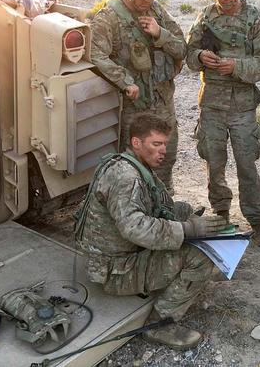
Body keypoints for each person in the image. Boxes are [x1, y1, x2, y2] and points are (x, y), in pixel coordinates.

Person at [74, 113, 228, 350]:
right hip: (116, 271)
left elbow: (159, 208)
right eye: (156, 144)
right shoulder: (126, 177)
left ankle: (198, 269)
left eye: (165, 144)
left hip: (122, 256)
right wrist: (187, 230)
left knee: (184, 210)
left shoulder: (133, 166)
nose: (163, 150)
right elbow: (134, 227)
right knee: (199, 256)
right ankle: (159, 324)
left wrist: (187, 221)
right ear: (137, 143)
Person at [186, 0, 260, 247]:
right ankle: (221, 214)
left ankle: (258, 222)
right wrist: (201, 57)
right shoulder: (205, 17)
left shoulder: (254, 18)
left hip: (242, 107)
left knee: (247, 163)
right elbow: (188, 55)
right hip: (211, 104)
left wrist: (233, 66)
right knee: (214, 163)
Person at [90, 0, 186, 194]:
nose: (148, 0)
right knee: (133, 165)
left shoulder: (157, 13)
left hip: (163, 103)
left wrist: (160, 33)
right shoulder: (109, 17)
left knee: (165, 158)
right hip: (134, 107)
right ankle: (135, 213)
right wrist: (125, 82)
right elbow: (96, 55)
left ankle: (164, 205)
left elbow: (182, 48)